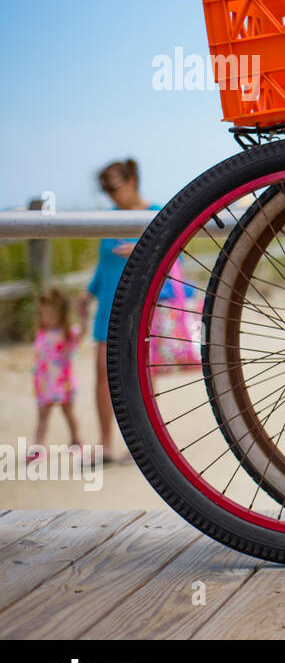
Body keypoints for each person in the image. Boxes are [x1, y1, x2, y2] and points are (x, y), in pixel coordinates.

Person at [84, 159, 157, 464]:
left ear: (131, 181)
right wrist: (87, 293)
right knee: (102, 374)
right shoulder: (109, 219)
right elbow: (104, 263)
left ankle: (146, 445)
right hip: (106, 307)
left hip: (140, 305)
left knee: (141, 376)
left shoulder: (157, 212)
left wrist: (143, 247)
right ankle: (104, 443)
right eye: (104, 189)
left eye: (112, 187)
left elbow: (173, 255)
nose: (109, 195)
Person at [28, 287, 87, 463]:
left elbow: (82, 334)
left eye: (51, 315)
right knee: (43, 414)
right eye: (44, 315)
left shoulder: (67, 333)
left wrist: (83, 317)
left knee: (68, 411)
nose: (47, 319)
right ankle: (38, 447)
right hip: (45, 382)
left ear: (61, 314)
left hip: (63, 381)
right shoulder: (41, 333)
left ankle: (76, 440)